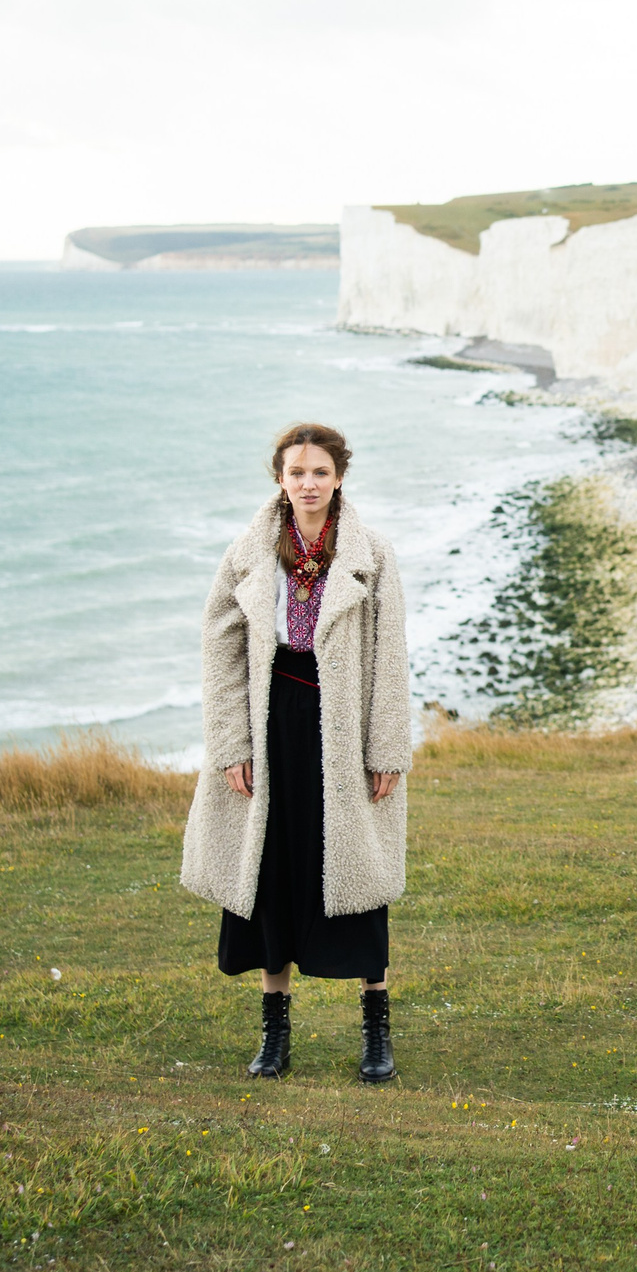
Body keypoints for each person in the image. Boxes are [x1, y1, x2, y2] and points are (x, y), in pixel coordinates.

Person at [180, 422, 411, 1082]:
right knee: (273, 871)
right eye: (296, 472)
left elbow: (390, 656)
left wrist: (387, 746)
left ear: (339, 476)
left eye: (320, 472)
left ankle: (376, 1033)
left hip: (344, 725)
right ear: (279, 478)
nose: (308, 483)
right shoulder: (249, 553)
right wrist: (231, 741)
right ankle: (274, 1034)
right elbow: (220, 648)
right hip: (271, 718)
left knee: (358, 875)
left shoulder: (371, 553)